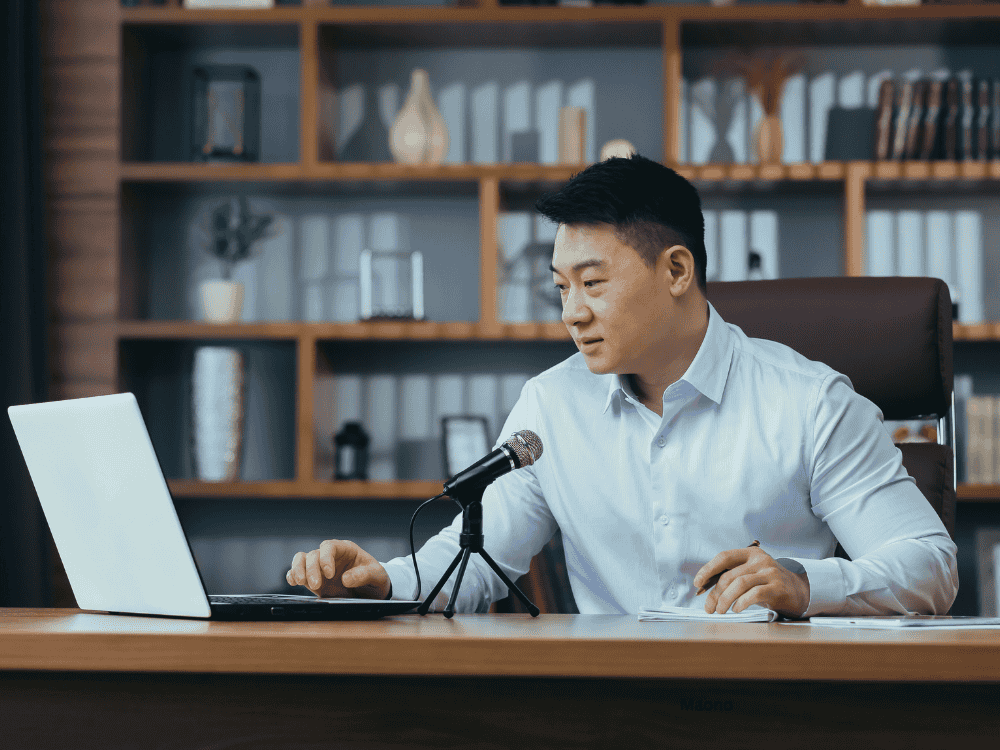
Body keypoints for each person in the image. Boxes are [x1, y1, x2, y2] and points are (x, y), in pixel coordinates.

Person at [286, 154, 958, 618]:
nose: (571, 311)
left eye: (593, 282)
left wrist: (805, 583)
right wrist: (383, 582)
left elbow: (930, 567)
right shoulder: (550, 406)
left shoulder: (809, 403)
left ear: (675, 270)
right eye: (560, 287)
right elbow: (477, 560)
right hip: (605, 707)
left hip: (767, 700)